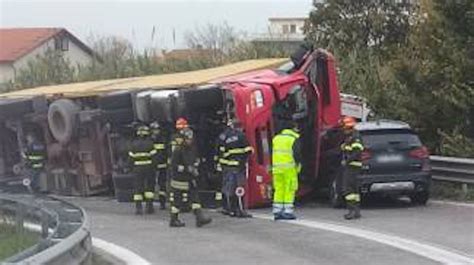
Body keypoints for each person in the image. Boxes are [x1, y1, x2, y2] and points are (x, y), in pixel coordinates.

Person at [169, 126, 212, 227]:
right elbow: (173, 165)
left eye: (191, 138)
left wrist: (196, 164)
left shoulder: (192, 149)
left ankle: (199, 218)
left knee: (195, 198)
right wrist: (186, 168)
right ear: (183, 139)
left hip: (189, 179)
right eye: (188, 139)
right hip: (179, 180)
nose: (190, 141)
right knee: (177, 201)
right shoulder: (178, 150)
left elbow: (194, 160)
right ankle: (174, 220)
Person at [216, 118, 253, 217]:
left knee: (228, 188)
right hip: (238, 166)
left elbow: (219, 152)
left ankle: (228, 209)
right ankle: (240, 210)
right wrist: (243, 161)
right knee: (239, 189)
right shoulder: (241, 136)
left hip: (226, 166)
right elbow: (248, 150)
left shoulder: (222, 136)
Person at [271, 121, 301, 220]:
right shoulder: (293, 139)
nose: (298, 130)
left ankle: (277, 211)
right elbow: (297, 154)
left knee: (279, 189)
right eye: (296, 128)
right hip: (289, 168)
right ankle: (288, 212)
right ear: (292, 128)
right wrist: (299, 165)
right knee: (289, 189)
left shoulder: (276, 138)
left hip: (277, 169)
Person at [128, 124, 157, 215]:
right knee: (149, 187)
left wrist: (131, 168)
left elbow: (130, 160)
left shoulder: (133, 145)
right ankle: (149, 207)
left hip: (137, 169)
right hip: (149, 169)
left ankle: (138, 208)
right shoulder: (150, 143)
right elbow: (154, 158)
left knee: (138, 188)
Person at [340, 116, 364, 220]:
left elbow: (357, 152)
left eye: (344, 127)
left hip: (352, 166)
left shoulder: (355, 137)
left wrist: (347, 161)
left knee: (348, 189)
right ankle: (356, 211)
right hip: (353, 166)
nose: (343, 130)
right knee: (354, 190)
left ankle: (352, 211)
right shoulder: (351, 137)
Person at [150, 121, 169, 210]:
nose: (156, 132)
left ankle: (162, 203)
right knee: (151, 184)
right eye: (154, 130)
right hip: (152, 166)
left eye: (157, 130)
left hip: (162, 165)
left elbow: (166, 152)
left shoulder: (163, 139)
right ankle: (150, 204)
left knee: (162, 185)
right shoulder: (149, 140)